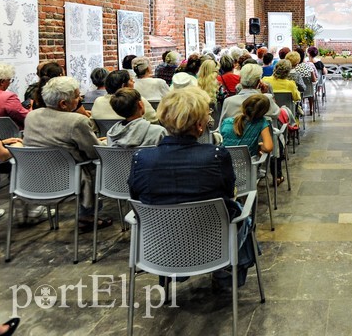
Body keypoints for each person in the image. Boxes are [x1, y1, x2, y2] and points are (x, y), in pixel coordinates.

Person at [128, 87, 255, 289]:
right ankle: (226, 275)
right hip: (212, 244)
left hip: (160, 247)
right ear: (199, 126)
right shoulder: (216, 155)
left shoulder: (141, 159)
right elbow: (227, 192)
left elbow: (136, 197)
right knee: (242, 212)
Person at [23, 76, 107, 232]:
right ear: (63, 103)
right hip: (68, 180)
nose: (79, 98)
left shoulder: (31, 116)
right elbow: (94, 152)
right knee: (97, 165)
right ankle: (87, 216)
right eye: (76, 96)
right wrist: (104, 142)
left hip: (33, 179)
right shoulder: (76, 121)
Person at [91, 70, 158, 125]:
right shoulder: (137, 100)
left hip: (107, 139)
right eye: (131, 80)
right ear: (124, 86)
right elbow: (155, 121)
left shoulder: (98, 101)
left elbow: (93, 124)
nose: (133, 82)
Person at [0, 63, 30, 127]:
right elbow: (26, 117)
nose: (9, 83)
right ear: (2, 82)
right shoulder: (8, 98)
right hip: (7, 135)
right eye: (9, 80)